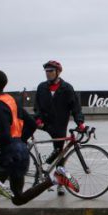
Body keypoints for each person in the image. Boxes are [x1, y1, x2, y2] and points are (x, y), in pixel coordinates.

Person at [0, 70, 78, 215]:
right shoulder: (12, 101)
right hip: (21, 152)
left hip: (7, 153)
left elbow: (5, 136)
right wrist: (21, 141)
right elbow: (31, 124)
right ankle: (55, 179)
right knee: (18, 198)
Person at [34, 60, 85, 195]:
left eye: (51, 71)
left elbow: (75, 107)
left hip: (59, 124)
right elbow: (37, 106)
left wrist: (80, 122)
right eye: (46, 71)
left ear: (58, 72)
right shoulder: (41, 87)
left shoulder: (67, 88)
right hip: (44, 123)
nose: (48, 74)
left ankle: (59, 182)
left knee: (60, 152)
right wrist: (38, 119)